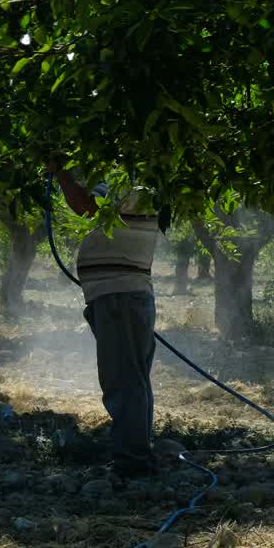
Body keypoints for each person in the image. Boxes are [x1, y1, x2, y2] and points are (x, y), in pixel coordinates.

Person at [50, 159, 160, 478]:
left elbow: (85, 205)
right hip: (125, 294)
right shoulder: (145, 184)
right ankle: (136, 455)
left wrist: (60, 171)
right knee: (132, 378)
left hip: (119, 296)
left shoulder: (131, 181)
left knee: (123, 379)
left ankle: (132, 463)